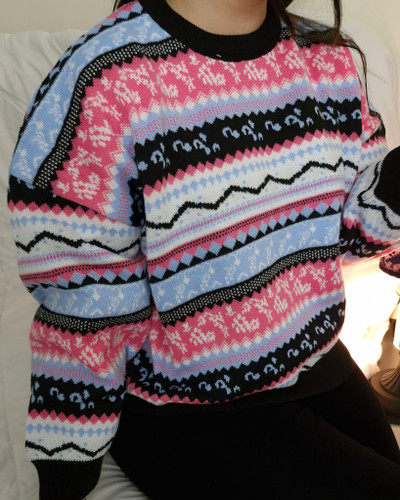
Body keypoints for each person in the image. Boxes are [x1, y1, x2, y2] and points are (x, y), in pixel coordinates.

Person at [7, 0, 400, 498]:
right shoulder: (105, 81)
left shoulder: (327, 59)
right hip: (182, 407)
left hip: (314, 355)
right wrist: (66, 462)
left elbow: (341, 237)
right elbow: (83, 299)